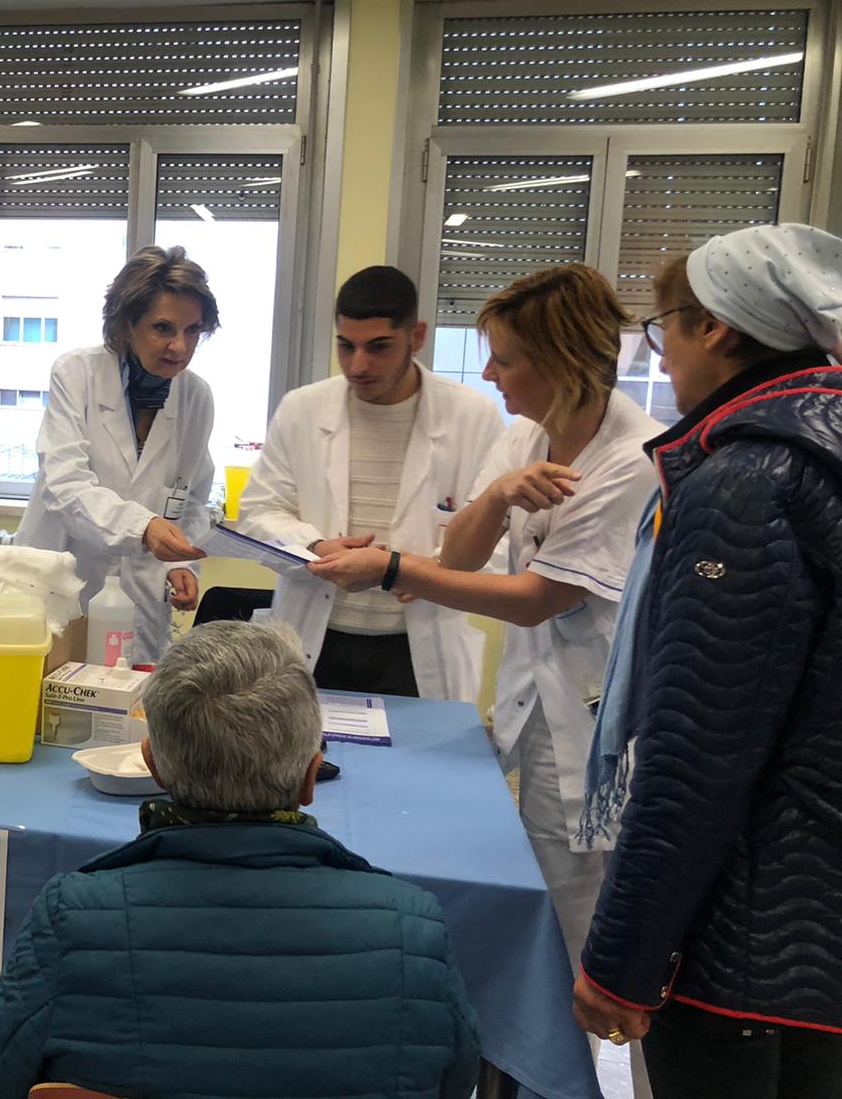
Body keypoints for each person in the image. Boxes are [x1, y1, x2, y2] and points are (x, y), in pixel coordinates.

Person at [309, 264, 661, 982]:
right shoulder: (529, 435)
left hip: (596, 719)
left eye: (506, 359)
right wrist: (498, 495)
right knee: (536, 897)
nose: (491, 373)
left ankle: (573, 1049)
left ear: (562, 363)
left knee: (576, 925)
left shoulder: (633, 460)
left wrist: (390, 569)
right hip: (537, 699)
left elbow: (535, 599)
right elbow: (461, 556)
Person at [0, 620, 479, 1099]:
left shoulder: (70, 919)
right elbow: (456, 1082)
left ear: (153, 766)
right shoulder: (414, 929)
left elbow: (2, 1080)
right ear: (311, 777)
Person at [571, 226, 842, 1097]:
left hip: (751, 941)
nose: (664, 355)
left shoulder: (747, 482)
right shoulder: (822, 452)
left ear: (715, 326)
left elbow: (700, 751)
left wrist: (620, 961)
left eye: (665, 330)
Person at [239, 265, 503, 700]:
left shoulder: (472, 417)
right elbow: (258, 512)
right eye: (346, 346)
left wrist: (422, 572)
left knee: (421, 746)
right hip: (314, 639)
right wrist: (315, 546)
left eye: (379, 347)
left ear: (417, 336)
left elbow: (499, 540)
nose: (358, 365)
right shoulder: (302, 409)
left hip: (416, 649)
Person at [15, 245, 218, 662]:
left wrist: (180, 564)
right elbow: (64, 486)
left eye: (193, 330)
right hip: (61, 590)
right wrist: (143, 527)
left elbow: (192, 498)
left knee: (131, 696)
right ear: (127, 325)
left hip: (141, 602)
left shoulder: (196, 397)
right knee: (53, 696)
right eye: (163, 328)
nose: (179, 346)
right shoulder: (77, 374)